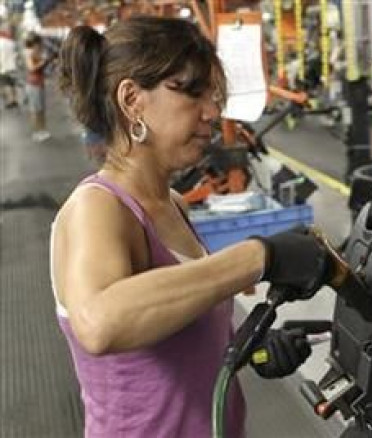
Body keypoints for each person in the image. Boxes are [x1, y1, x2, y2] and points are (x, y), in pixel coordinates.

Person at [54, 17, 331, 437]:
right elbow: (99, 323)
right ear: (132, 99)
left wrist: (253, 349)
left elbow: (177, 328)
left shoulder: (173, 203)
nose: (211, 112)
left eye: (213, 95)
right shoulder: (97, 207)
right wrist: (258, 256)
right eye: (193, 92)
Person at [24, 32, 52, 141]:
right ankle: (37, 132)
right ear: (35, 43)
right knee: (35, 110)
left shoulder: (36, 53)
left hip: (39, 83)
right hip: (33, 84)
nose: (40, 46)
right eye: (39, 44)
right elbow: (31, 68)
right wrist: (43, 62)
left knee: (41, 109)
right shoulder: (29, 53)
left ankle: (43, 130)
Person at [0, 24, 19, 108]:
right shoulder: (11, 42)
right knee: (12, 83)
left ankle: (9, 100)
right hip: (12, 65)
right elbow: (17, 54)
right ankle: (14, 99)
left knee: (5, 84)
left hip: (3, 66)